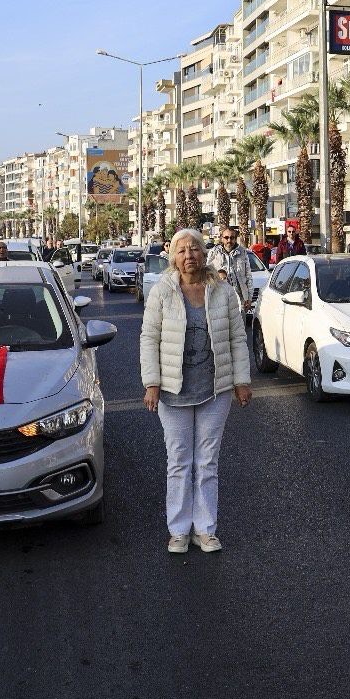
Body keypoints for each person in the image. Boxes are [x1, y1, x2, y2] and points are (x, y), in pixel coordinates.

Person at [139, 229, 252, 554]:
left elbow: (237, 338)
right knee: (178, 461)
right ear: (173, 257)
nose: (189, 255)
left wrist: (241, 381)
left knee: (206, 463)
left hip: (214, 390)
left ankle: (205, 530)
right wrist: (152, 383)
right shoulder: (162, 291)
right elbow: (149, 338)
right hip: (173, 393)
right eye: (182, 251)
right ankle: (178, 530)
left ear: (204, 254)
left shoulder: (223, 292)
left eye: (194, 249)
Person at [206, 226, 253, 311]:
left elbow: (248, 276)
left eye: (232, 238)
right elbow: (207, 276)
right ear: (221, 238)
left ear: (235, 239)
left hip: (239, 301)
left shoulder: (242, 252)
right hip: (219, 300)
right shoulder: (214, 253)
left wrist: (249, 298)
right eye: (226, 237)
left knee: (240, 324)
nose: (229, 240)